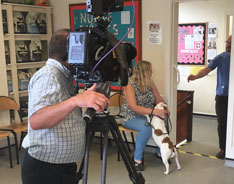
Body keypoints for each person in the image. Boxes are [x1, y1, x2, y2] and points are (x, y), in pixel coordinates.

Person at [21, 29, 109, 184]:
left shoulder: (63, 75)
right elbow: (36, 121)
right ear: (69, 51)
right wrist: (76, 100)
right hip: (45, 170)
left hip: (61, 167)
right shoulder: (49, 76)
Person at [187, 35, 232, 159]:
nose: (228, 44)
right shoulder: (220, 58)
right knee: (222, 123)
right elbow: (207, 69)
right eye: (227, 42)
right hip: (222, 96)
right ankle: (223, 149)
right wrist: (196, 76)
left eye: (231, 43)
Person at [120, 60, 169, 171]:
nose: (152, 72)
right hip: (130, 116)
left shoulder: (150, 83)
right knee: (146, 127)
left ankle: (161, 152)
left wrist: (164, 107)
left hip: (147, 115)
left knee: (162, 122)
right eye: (150, 70)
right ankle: (137, 160)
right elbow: (133, 107)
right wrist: (154, 112)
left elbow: (158, 99)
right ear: (144, 72)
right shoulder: (129, 85)